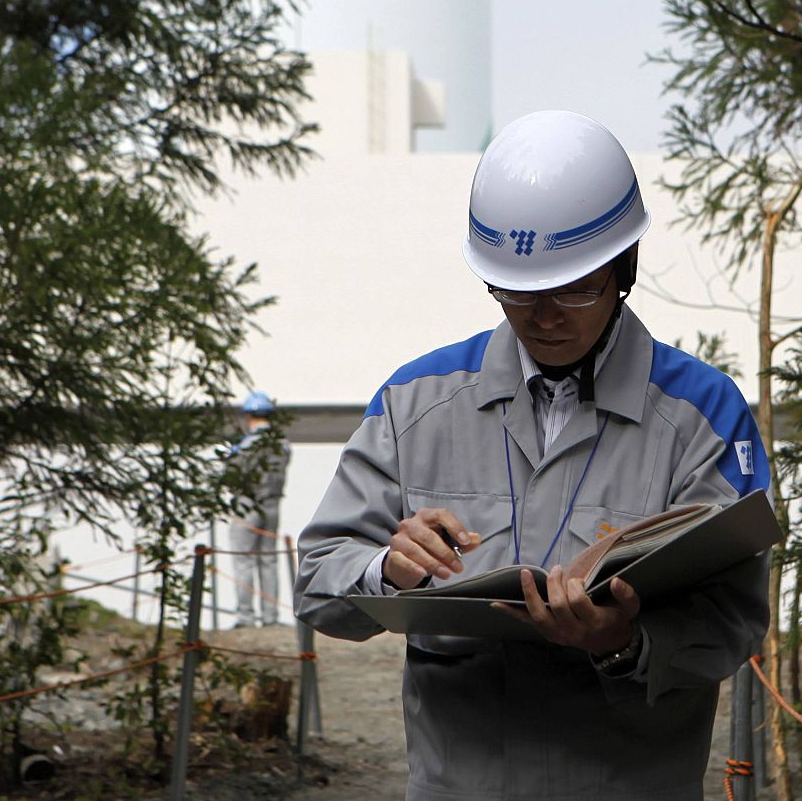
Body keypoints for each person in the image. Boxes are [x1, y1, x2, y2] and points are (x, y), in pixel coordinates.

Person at [294, 111, 772, 800]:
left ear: (624, 267)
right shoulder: (412, 402)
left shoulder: (705, 416)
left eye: (576, 288)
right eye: (517, 291)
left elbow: (733, 622)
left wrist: (622, 641)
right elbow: (316, 580)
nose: (544, 315)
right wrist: (386, 571)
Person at [226, 389, 292, 627]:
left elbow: (231, 475)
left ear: (248, 416)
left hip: (246, 505)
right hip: (273, 505)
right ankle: (270, 616)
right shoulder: (282, 445)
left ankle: (245, 616)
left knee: (243, 559)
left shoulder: (243, 446)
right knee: (269, 560)